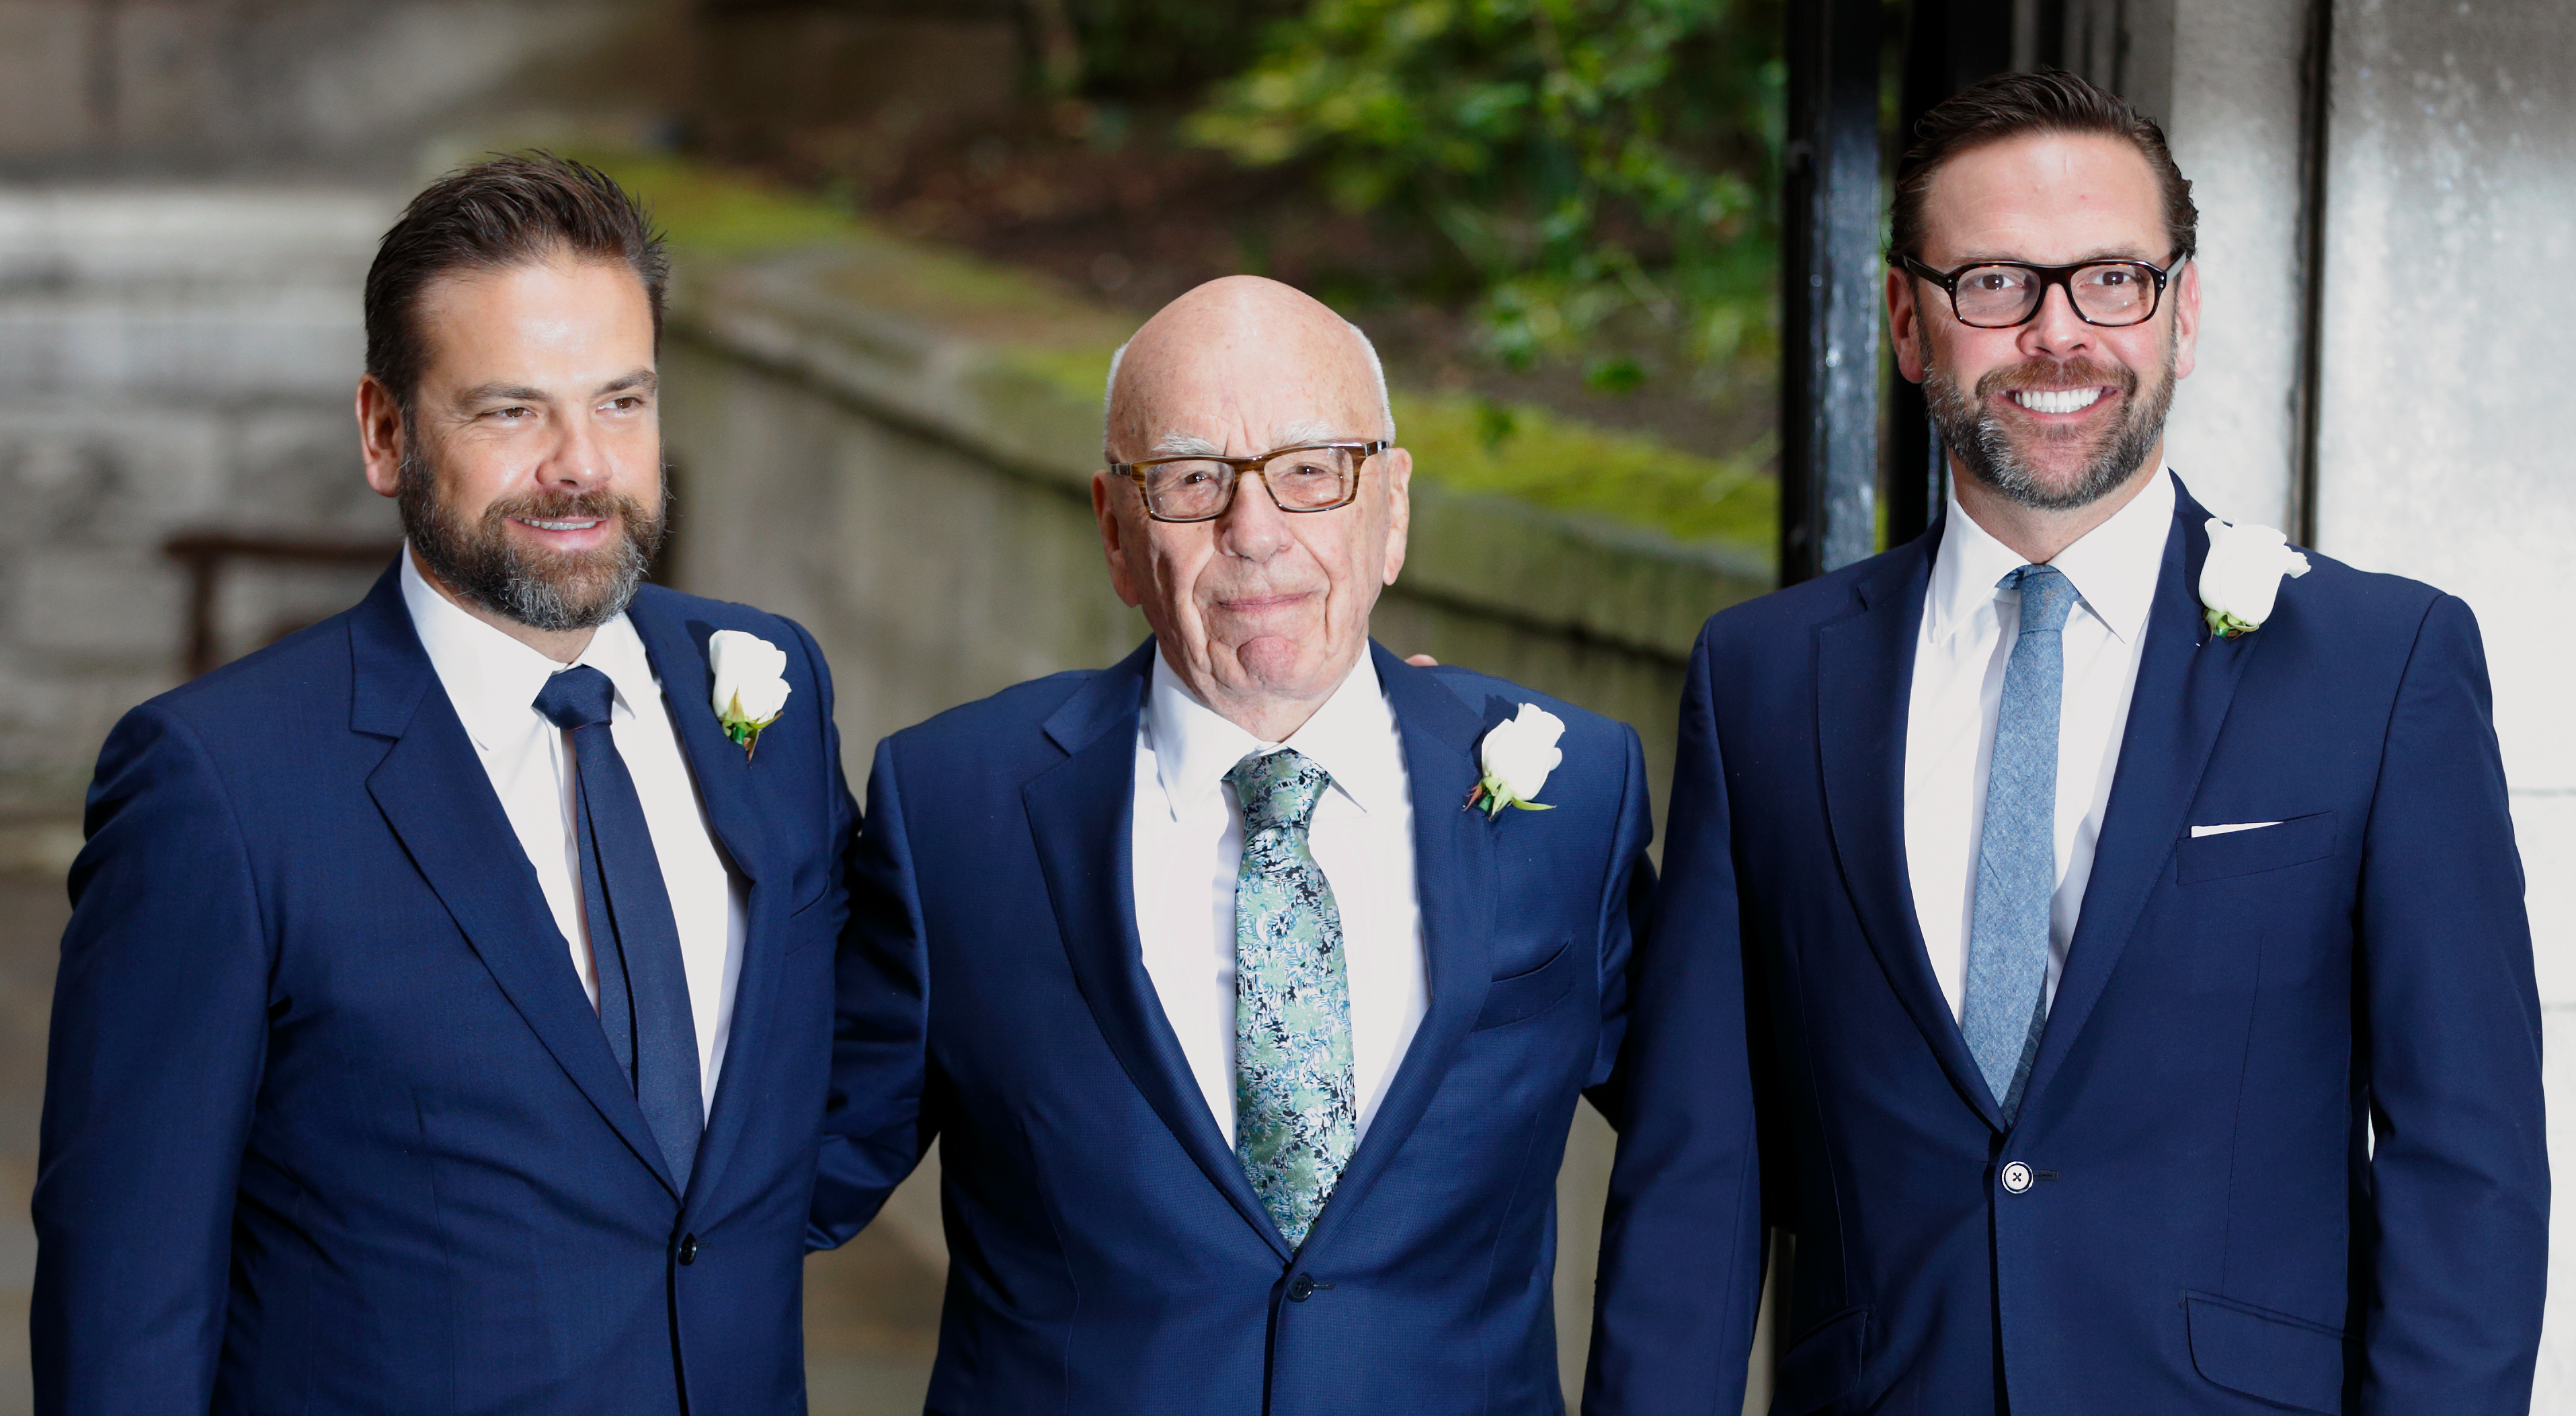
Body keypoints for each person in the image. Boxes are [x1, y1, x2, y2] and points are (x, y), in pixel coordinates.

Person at [1588, 70, 2546, 1415]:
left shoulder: (2380, 670)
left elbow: (2469, 1163)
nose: (2055, 334)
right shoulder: (1762, 680)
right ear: (1905, 322)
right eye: (1991, 281)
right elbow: (1696, 1168)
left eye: (2108, 279)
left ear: (2181, 313)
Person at [33, 155, 858, 1413]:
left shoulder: (765, 691)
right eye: (512, 411)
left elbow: (829, 1072)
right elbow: (127, 1300)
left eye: (621, 401)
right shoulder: (219, 786)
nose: (583, 465)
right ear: (385, 430)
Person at [813, 274, 1661, 1412]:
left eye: (1312, 469)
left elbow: (1722, 1149)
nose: (1253, 533)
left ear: (1393, 509)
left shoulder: (1579, 795)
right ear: (1117, 533)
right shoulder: (953, 807)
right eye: (1190, 478)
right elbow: (789, 1180)